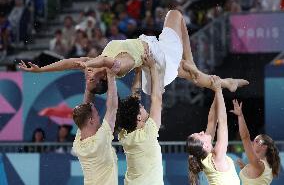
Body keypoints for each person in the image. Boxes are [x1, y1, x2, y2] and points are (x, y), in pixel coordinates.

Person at [19, 10, 248, 95]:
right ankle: (194, 64)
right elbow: (110, 63)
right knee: (175, 16)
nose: (86, 75)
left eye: (86, 77)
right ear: (100, 79)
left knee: (191, 76)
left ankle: (226, 83)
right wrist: (93, 63)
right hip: (157, 59)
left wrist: (41, 70)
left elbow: (70, 62)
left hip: (153, 51)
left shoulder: (98, 65)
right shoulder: (117, 67)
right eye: (89, 79)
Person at [116, 50, 163, 184]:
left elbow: (135, 97)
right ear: (138, 117)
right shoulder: (147, 134)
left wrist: (138, 72)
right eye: (141, 108)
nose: (144, 107)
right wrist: (152, 67)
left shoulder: (125, 135)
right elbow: (157, 99)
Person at [187, 76, 240, 185]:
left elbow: (212, 120)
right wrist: (219, 90)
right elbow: (222, 121)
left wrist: (217, 91)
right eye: (200, 135)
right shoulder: (217, 157)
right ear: (205, 146)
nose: (202, 132)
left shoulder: (204, 156)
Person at [72, 68, 118, 185]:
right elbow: (112, 107)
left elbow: (86, 107)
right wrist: (111, 76)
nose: (99, 116)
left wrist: (89, 84)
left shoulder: (79, 140)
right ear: (91, 120)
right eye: (97, 114)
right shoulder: (99, 140)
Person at [230, 99, 280, 185]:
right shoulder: (262, 165)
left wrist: (240, 116)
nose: (253, 142)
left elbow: (245, 137)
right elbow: (253, 179)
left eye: (257, 141)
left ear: (264, 147)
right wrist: (244, 167)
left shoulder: (259, 165)